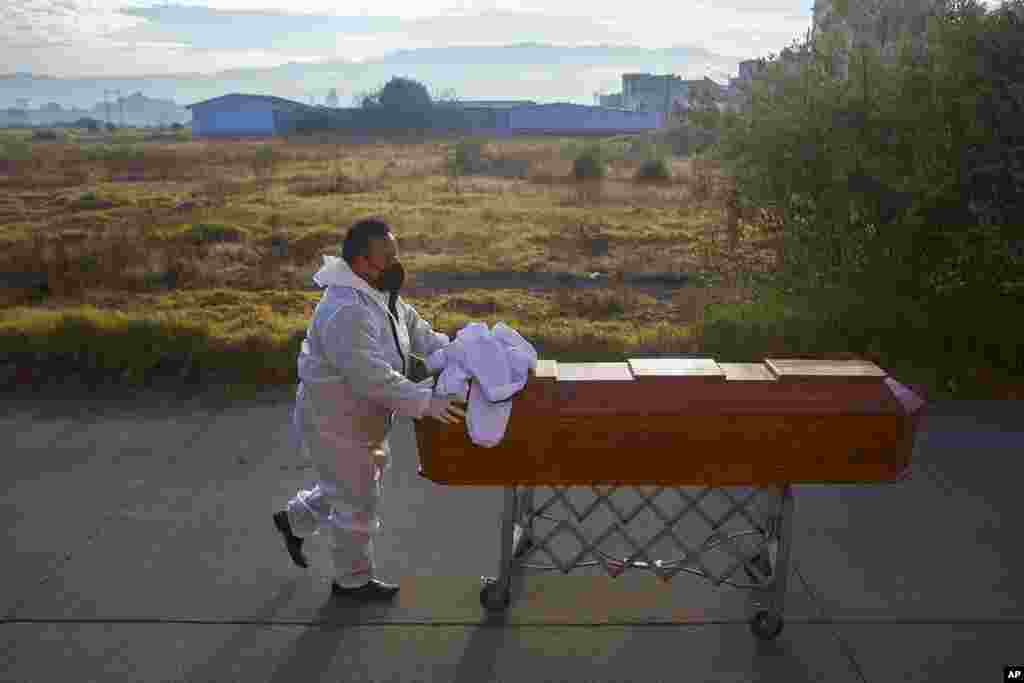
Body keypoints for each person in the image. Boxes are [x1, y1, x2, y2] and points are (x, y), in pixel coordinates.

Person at [273, 218, 466, 602]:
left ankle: (295, 519)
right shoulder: (345, 310)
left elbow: (417, 331)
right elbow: (372, 378)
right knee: (358, 499)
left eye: (396, 255)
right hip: (334, 421)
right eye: (387, 258)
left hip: (363, 419)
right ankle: (352, 582)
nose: (396, 264)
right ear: (360, 261)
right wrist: (426, 402)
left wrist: (457, 352)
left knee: (350, 486)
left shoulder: (378, 294)